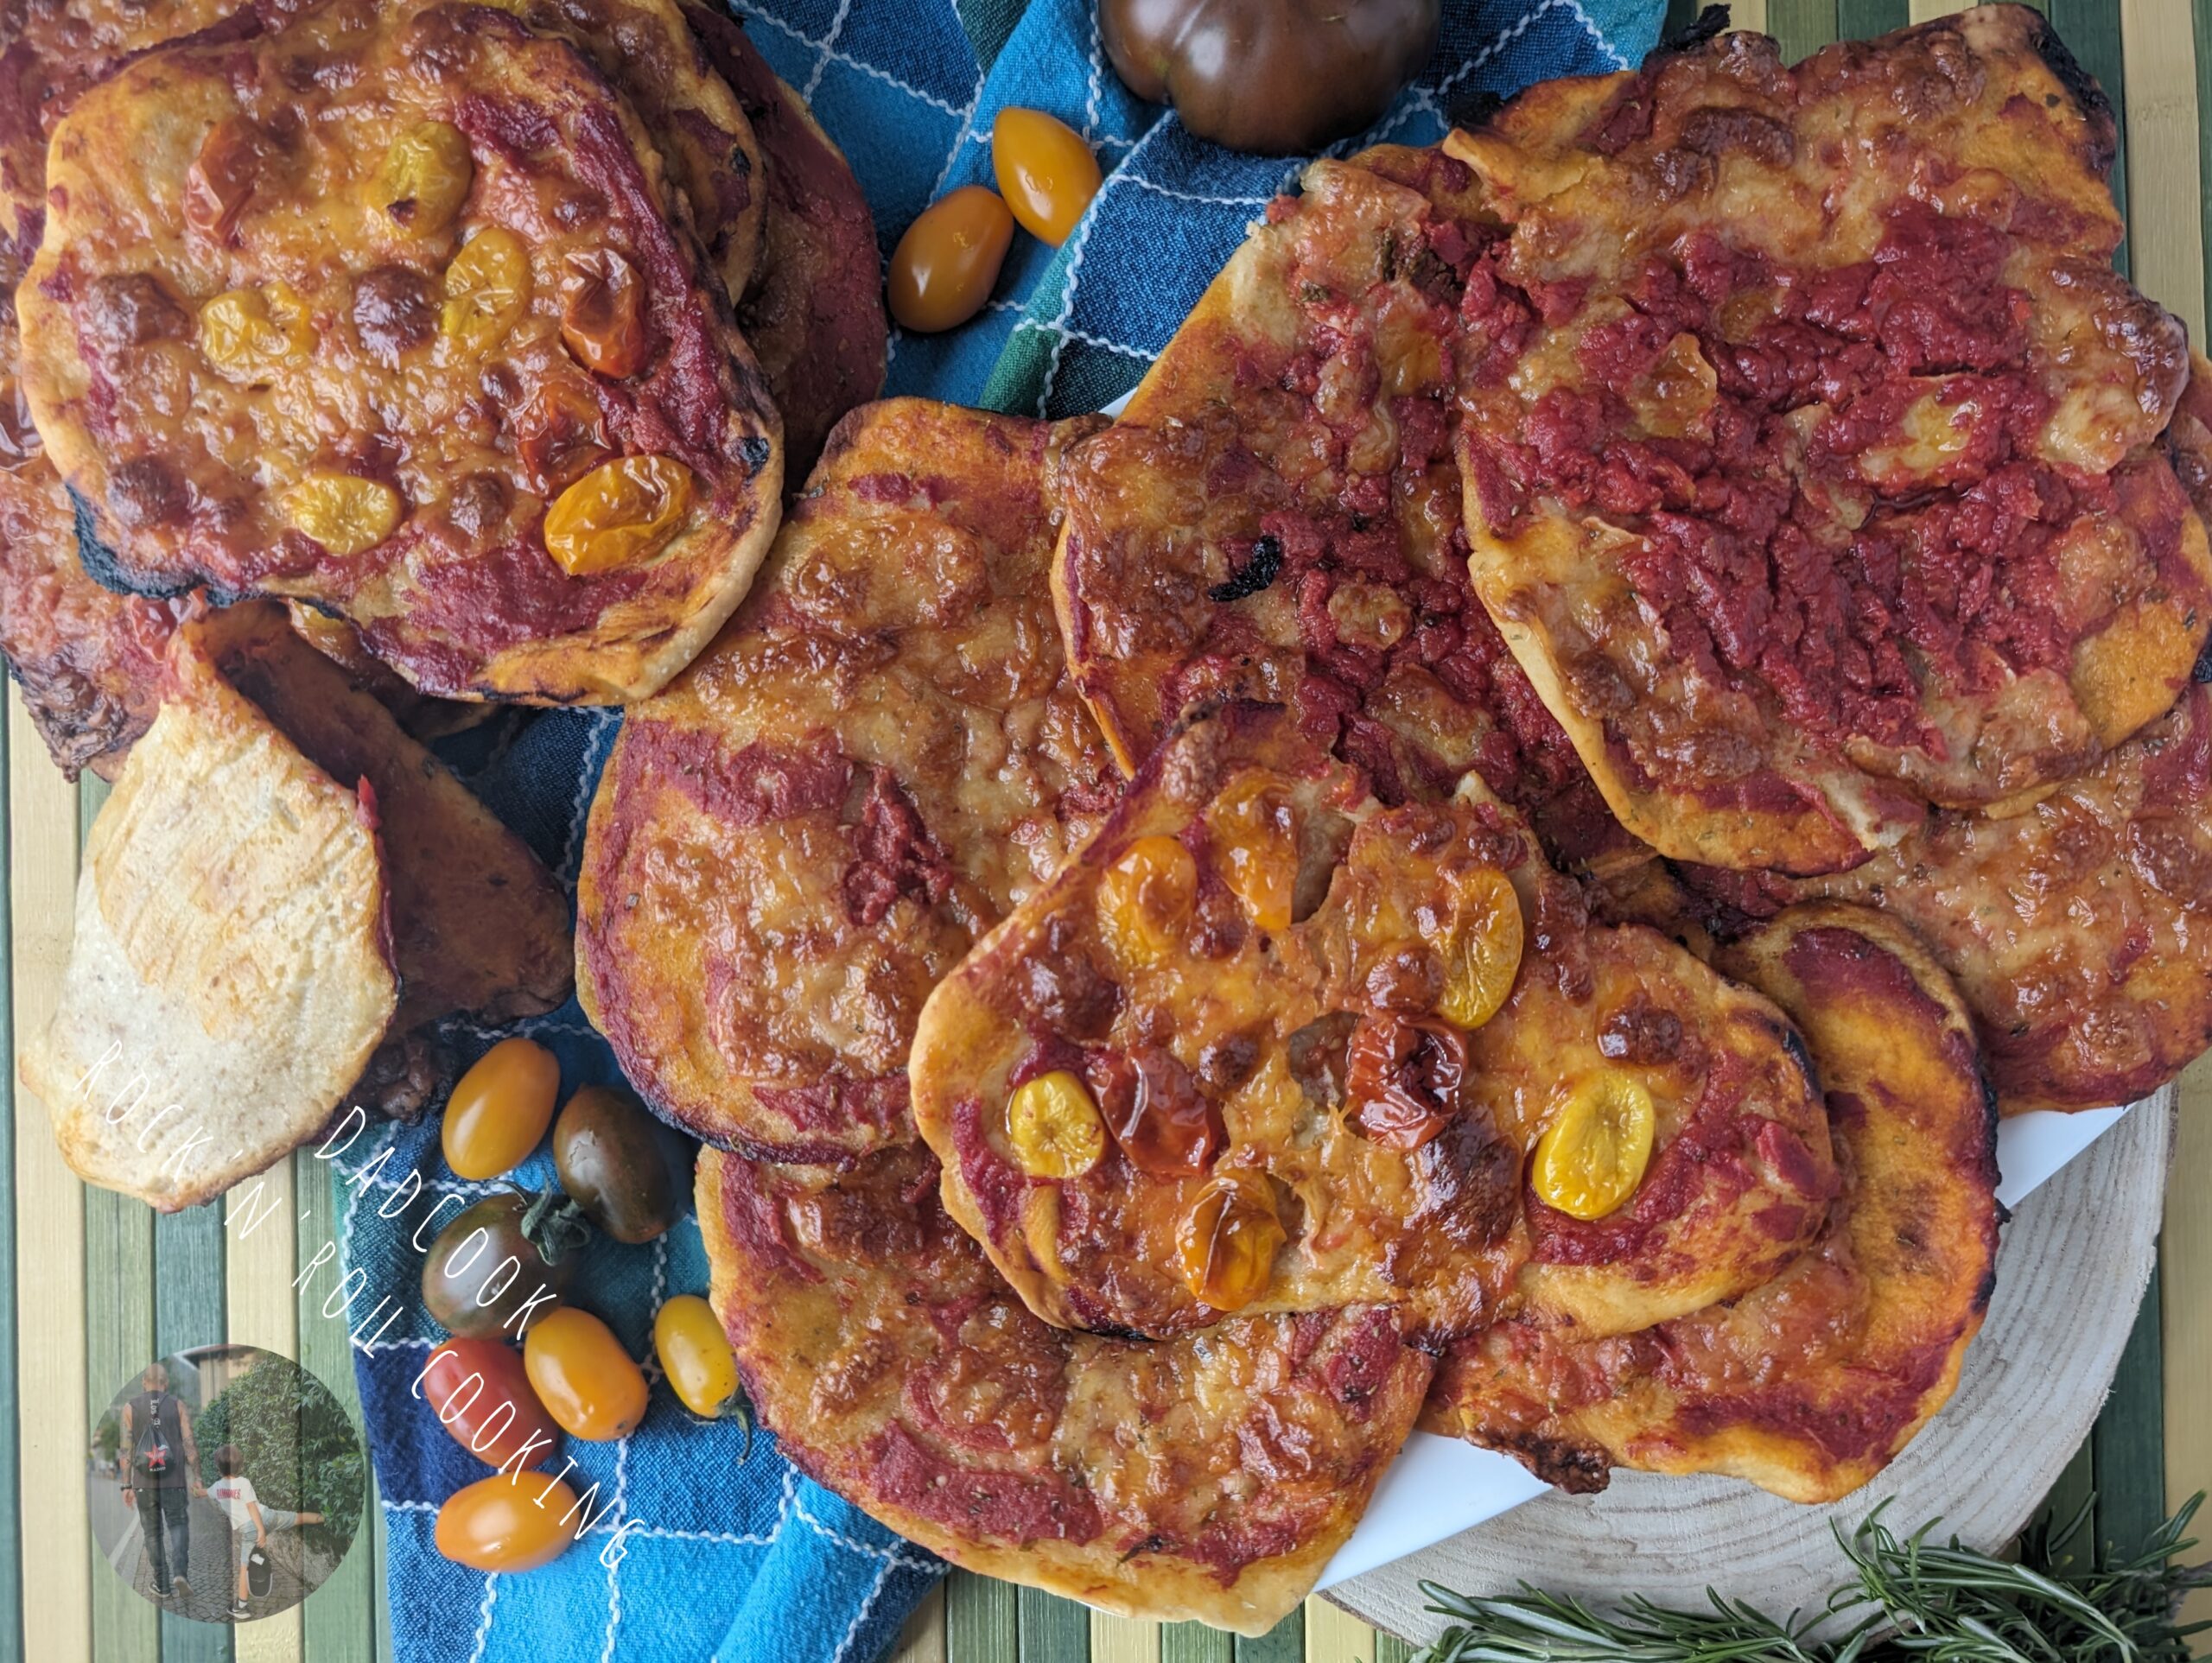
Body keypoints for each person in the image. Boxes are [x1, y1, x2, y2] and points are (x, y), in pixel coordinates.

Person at [205, 1444, 324, 1621]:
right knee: (297, 1518)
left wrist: (260, 1531)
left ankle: (241, 1607)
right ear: (241, 1465)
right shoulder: (244, 1482)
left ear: (217, 1467)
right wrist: (262, 1528)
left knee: (244, 1566)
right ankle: (324, 1518)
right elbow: (253, 1506)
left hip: (251, 1529)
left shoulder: (216, 1488)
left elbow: (246, 1507)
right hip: (267, 1516)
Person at [118, 1362, 202, 1602]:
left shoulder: (129, 1408)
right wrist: (197, 1477)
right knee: (178, 1525)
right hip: (174, 1481)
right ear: (166, 1383)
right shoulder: (178, 1405)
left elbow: (126, 1450)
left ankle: (162, 1585)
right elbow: (189, 1445)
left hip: (145, 1483)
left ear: (144, 1382)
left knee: (153, 1534)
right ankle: (180, 1573)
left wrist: (126, 1485)